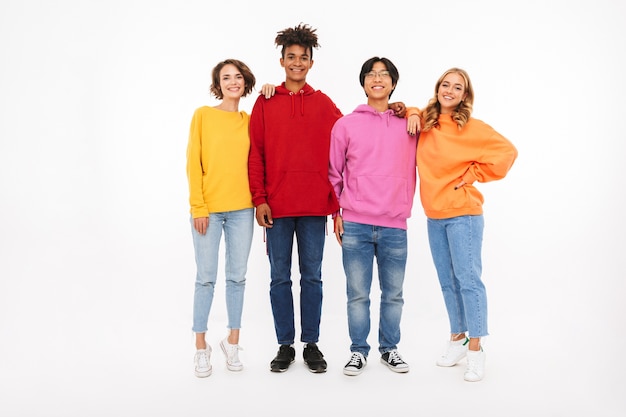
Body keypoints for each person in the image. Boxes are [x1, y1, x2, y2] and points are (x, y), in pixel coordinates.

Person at [250, 24, 408, 373]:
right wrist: (259, 198)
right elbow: (255, 153)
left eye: (303, 58)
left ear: (311, 63)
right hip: (274, 207)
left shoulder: (323, 104)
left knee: (313, 277)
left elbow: (357, 132)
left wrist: (399, 109)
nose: (297, 63)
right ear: (281, 61)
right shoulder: (265, 101)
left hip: (313, 208)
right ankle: (284, 345)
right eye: (291, 57)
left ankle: (311, 344)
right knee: (279, 277)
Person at [407, 67, 517, 382]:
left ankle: (476, 349)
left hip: (464, 214)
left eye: (458, 87)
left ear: (464, 95)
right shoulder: (426, 123)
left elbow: (507, 152)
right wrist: (414, 110)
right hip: (434, 216)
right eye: (445, 84)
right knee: (447, 282)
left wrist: (472, 175)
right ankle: (458, 338)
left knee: (469, 281)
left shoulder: (472, 128)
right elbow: (405, 109)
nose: (450, 90)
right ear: (437, 88)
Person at [328, 57, 418, 376]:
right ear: (363, 82)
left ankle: (389, 349)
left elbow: (436, 118)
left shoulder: (409, 123)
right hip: (355, 222)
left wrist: (415, 111)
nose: (377, 78)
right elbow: (333, 172)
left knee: (393, 294)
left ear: (393, 83)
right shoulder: (346, 124)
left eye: (384, 74)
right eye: (371, 74)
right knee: (358, 294)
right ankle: (357, 351)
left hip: (395, 223)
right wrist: (336, 212)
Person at [186, 58, 256, 378]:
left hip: (243, 208)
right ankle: (201, 347)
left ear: (245, 82)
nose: (232, 82)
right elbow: (193, 162)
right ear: (218, 83)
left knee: (237, 277)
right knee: (206, 277)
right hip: (209, 211)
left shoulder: (251, 120)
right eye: (226, 77)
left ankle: (233, 341)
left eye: (237, 77)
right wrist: (198, 207)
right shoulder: (203, 116)